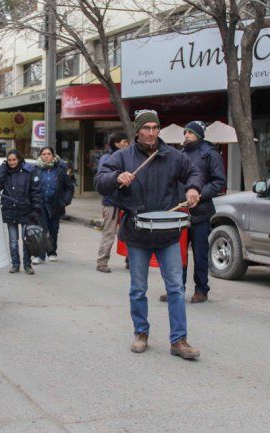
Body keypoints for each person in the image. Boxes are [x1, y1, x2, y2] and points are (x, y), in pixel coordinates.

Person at [95, 109, 204, 359]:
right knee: (138, 288)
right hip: (137, 232)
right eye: (146, 128)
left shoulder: (173, 156)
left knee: (176, 288)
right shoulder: (123, 157)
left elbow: (195, 173)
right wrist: (116, 177)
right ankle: (141, 333)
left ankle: (179, 340)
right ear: (138, 130)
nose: (151, 132)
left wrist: (193, 188)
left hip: (167, 233)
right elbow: (101, 181)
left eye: (155, 128)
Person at [159, 121, 225, 303]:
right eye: (185, 132)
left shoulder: (210, 154)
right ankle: (176, 288)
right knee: (177, 253)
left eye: (190, 132)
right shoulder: (180, 154)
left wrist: (200, 194)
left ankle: (201, 290)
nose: (186, 135)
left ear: (199, 135)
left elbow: (219, 182)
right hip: (179, 212)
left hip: (201, 212)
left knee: (200, 253)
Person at [0, 149, 41, 275]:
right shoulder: (5, 172)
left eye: (14, 159)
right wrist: (3, 168)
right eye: (9, 160)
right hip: (10, 210)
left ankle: (27, 265)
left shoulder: (28, 171)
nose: (12, 162)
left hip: (26, 210)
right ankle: (15, 264)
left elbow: (35, 192)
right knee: (13, 241)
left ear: (19, 159)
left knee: (27, 239)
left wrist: (36, 209)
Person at [30, 146, 74, 264]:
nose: (46, 156)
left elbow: (69, 187)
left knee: (54, 229)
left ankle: (52, 252)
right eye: (44, 154)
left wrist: (65, 201)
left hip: (55, 204)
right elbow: (30, 187)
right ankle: (40, 255)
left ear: (53, 156)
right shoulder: (35, 169)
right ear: (40, 156)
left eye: (49, 154)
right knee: (41, 229)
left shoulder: (60, 169)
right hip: (41, 204)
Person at [96, 132, 129, 273]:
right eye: (124, 141)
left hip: (127, 200)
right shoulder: (107, 158)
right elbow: (102, 179)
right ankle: (102, 261)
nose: (126, 144)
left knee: (129, 232)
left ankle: (130, 259)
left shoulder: (128, 157)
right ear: (116, 143)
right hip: (111, 201)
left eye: (127, 142)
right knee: (109, 232)